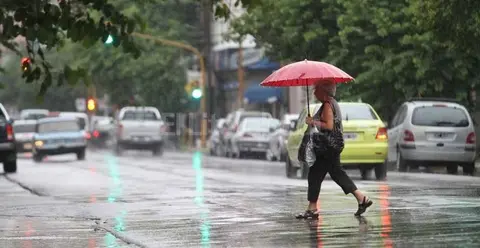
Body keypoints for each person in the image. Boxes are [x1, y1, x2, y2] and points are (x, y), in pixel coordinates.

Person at [297, 81, 373, 219]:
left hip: (326, 147)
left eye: (316, 89)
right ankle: (362, 199)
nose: (314, 92)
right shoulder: (332, 103)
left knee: (315, 175)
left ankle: (312, 208)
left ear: (324, 91)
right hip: (332, 146)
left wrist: (313, 122)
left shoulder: (327, 105)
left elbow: (329, 126)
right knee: (336, 173)